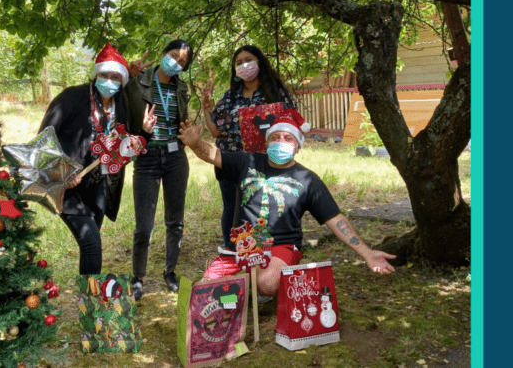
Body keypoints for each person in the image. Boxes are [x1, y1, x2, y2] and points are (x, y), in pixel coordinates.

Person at [179, 109, 396, 300]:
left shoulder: (308, 180)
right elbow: (212, 154)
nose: (280, 142)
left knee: (267, 283)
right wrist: (195, 143)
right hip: (242, 248)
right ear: (267, 142)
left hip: (280, 249)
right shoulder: (248, 161)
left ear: (298, 146)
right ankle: (242, 286)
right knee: (202, 291)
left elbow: (335, 219)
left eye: (287, 138)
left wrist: (367, 253)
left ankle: (245, 286)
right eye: (275, 137)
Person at [38, 43, 154, 275]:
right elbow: (44, 139)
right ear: (95, 75)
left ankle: (89, 302)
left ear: (121, 81)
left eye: (115, 77)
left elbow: (122, 149)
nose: (109, 81)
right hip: (69, 189)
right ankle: (91, 307)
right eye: (104, 75)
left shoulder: (120, 103)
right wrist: (62, 172)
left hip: (100, 188)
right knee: (92, 245)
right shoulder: (71, 96)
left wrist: (144, 134)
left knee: (91, 245)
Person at [199, 45, 296, 256]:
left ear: (259, 62)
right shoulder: (229, 97)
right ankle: (232, 251)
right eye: (239, 62)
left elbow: (292, 123)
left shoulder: (275, 93)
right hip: (229, 161)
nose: (244, 65)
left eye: (248, 59)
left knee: (260, 208)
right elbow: (215, 131)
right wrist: (207, 108)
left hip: (263, 162)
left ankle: (261, 254)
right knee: (232, 208)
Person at [124, 39, 193, 300]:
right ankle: (138, 277)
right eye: (173, 55)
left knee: (175, 221)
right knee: (144, 225)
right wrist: (127, 75)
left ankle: (170, 271)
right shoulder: (138, 81)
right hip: (147, 157)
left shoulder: (182, 89)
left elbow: (182, 121)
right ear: (163, 53)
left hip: (176, 157)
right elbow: (113, 97)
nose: (176, 62)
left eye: (182, 62)